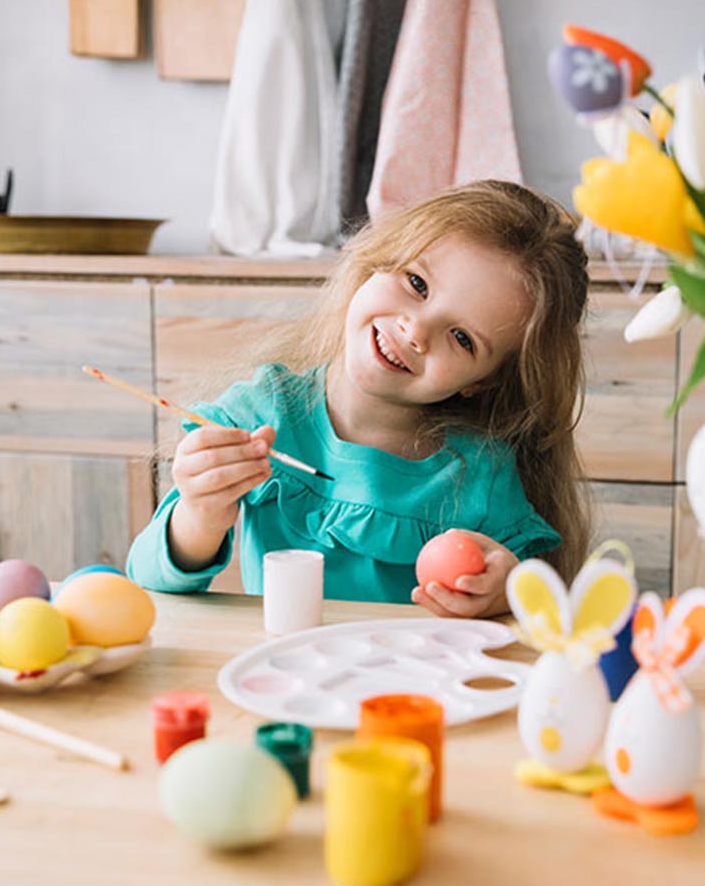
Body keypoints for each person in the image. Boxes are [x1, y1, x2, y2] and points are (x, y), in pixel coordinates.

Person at [127, 180, 591, 617]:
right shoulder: (261, 414)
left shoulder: (480, 474)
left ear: (483, 382)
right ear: (375, 263)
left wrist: (507, 588)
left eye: (462, 338)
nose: (415, 331)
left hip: (412, 693)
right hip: (290, 681)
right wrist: (199, 514)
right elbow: (148, 580)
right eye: (417, 283)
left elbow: (540, 608)